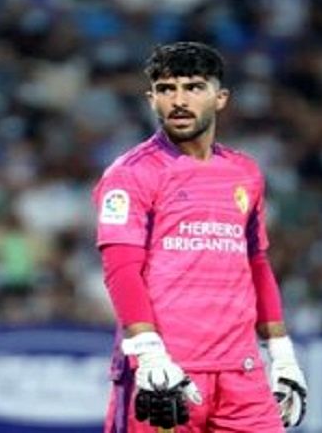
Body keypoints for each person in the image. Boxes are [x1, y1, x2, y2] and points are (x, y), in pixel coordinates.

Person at [93, 42, 307, 432]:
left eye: (193, 87)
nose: (179, 101)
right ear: (152, 99)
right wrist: (149, 353)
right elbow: (121, 270)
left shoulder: (244, 172)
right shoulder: (131, 173)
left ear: (220, 97)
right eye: (166, 89)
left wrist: (282, 354)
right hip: (166, 374)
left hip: (241, 372)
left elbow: (256, 264)